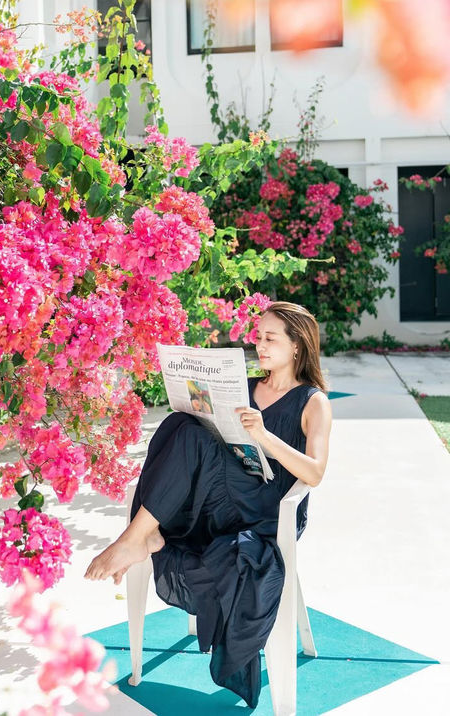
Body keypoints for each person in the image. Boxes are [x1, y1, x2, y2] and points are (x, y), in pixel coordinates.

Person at [84, 301, 332, 707]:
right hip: (227, 496)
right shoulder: (249, 387)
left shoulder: (313, 401)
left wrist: (265, 437)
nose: (261, 344)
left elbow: (316, 473)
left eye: (271, 338)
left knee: (188, 435)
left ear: (297, 347)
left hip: (270, 508)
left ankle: (141, 535)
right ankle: (143, 534)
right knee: (182, 424)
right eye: (259, 335)